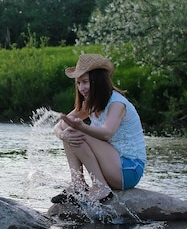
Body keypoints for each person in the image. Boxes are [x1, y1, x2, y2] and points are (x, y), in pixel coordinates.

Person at [52, 53, 146, 204]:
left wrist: (81, 127)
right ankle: (77, 184)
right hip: (111, 165)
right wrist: (62, 135)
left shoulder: (117, 103)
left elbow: (107, 133)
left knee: (75, 131)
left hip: (128, 169)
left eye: (85, 82)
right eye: (78, 83)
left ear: (99, 82)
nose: (81, 88)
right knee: (69, 132)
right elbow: (60, 125)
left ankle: (100, 186)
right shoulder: (90, 104)